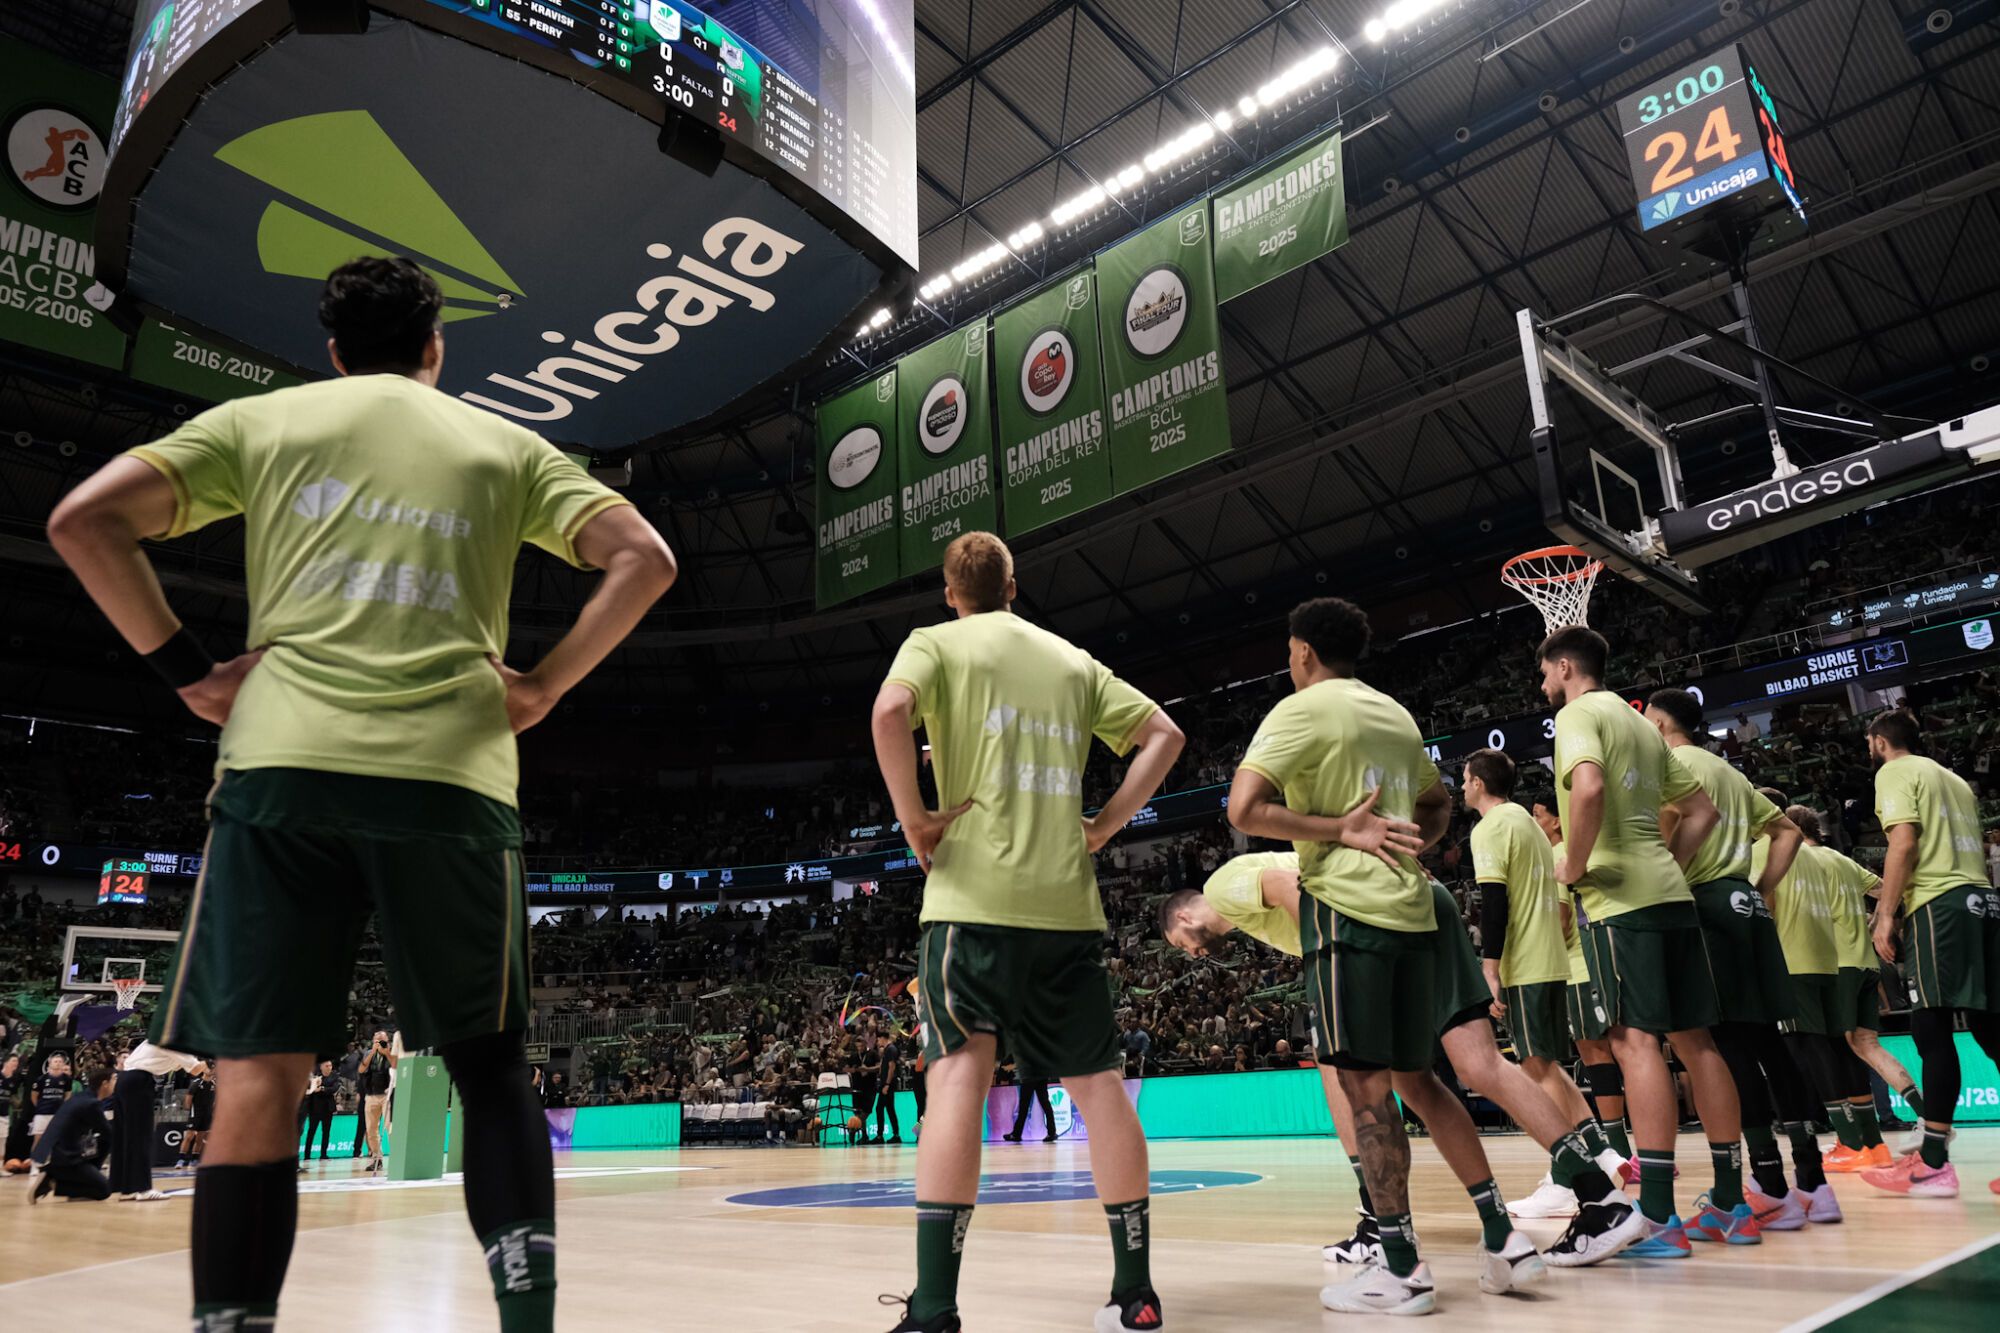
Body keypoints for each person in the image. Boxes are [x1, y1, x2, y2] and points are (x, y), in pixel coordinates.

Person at [45, 255, 676, 1333]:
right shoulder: (506, 446)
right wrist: (543, 684)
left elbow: (82, 521)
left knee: (257, 1080)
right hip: (451, 777)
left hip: (282, 772)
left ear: (333, 350)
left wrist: (188, 671)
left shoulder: (264, 422)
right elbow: (644, 559)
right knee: (489, 1070)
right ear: (436, 348)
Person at [871, 531, 1183, 1333]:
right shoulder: (1071, 659)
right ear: (1016, 587)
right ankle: (1136, 1293)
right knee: (1101, 1090)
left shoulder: (934, 642)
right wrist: (1107, 825)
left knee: (957, 1085)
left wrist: (914, 818)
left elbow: (889, 710)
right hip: (1064, 910)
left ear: (950, 591)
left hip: (969, 906)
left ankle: (935, 1307)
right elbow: (1165, 736)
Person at [1227, 596, 1550, 1317]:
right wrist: (1406, 843)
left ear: (1303, 650)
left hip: (1349, 917)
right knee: (1423, 1084)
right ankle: (1503, 1235)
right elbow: (1435, 807)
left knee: (1364, 1092)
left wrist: (1338, 831)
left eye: (1289, 651)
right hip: (1413, 911)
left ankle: (1400, 1265)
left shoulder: (1298, 710)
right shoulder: (1393, 713)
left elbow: (1244, 809)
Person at [1160, 852, 1639, 1286]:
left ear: (1183, 915)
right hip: (1422, 901)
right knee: (1465, 1069)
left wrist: (1328, 971)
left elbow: (1294, 888)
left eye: (1179, 942)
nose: (1189, 952)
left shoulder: (1223, 887)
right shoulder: (1247, 903)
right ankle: (1594, 1198)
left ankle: (1379, 1227)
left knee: (1342, 1070)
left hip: (1371, 924)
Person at [1537, 627, 1743, 1258]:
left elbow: (1591, 789)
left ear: (1566, 667)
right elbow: (1703, 811)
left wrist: (1572, 862)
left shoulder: (1577, 715)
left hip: (1617, 901)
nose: (1543, 686)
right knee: (1698, 1044)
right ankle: (1732, 1205)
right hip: (1668, 896)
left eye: (1544, 673)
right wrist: (1671, 866)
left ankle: (1656, 1216)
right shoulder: (1640, 725)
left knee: (1634, 1042)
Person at [1644, 688, 1828, 1232]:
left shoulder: (1669, 764)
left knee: (1726, 1049)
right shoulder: (1731, 772)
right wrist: (1763, 888)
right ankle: (1812, 1182)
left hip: (1704, 905)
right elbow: (1788, 831)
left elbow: (1669, 830)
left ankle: (1769, 1185)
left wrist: (1666, 871)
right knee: (1770, 1039)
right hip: (1745, 903)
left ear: (1658, 723)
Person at [1461, 751, 1624, 1221]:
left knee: (1536, 1070)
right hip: (1552, 959)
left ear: (1477, 783)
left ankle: (1572, 1172)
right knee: (1546, 1066)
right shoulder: (1529, 825)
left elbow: (1494, 899)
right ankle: (1604, 1155)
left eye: (1465, 780)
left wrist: (1490, 966)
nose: (1463, 787)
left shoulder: (1490, 827)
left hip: (1527, 962)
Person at [1860, 709, 2000, 1198]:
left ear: (1879, 742)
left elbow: (1903, 842)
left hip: (1940, 906)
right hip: (1981, 901)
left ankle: (1935, 1162)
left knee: (1930, 1024)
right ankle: (1933, 1153)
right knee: (1989, 1027)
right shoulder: (1957, 781)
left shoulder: (1895, 771)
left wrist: (1885, 915)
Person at [1761, 803, 1903, 1175]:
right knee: (1851, 1049)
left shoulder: (1784, 853)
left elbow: (1766, 905)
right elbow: (1887, 890)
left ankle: (1852, 1142)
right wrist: (1880, 921)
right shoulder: (1834, 859)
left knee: (1815, 1051)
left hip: (1808, 962)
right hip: (1845, 962)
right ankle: (1874, 1142)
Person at [1530, 799, 1630, 1168]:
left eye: (1538, 816)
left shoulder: (1557, 854)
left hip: (1577, 967)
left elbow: (1561, 920)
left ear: (1557, 822)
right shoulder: (1572, 850)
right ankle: (1625, 1149)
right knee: (1621, 1053)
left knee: (1598, 1055)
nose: (1534, 822)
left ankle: (1618, 1150)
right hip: (1596, 964)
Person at [112, 1041, 208, 1201]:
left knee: (127, 1136)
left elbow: (178, 1066)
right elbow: (196, 1069)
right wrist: (215, 1059)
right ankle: (142, 1188)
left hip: (125, 1080)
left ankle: (126, 1187)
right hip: (139, 1081)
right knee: (141, 1135)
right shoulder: (175, 1040)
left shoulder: (160, 1035)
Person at [27, 1066, 117, 1204]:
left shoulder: (81, 1097)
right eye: (114, 1080)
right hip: (67, 1157)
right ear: (104, 1084)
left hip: (57, 1152)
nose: (115, 1084)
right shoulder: (92, 1104)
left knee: (96, 1170)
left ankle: (54, 1179)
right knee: (105, 1189)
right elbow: (108, 1134)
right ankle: (52, 1182)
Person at [356, 1031, 395, 1172]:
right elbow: (361, 1069)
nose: (379, 1043)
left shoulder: (391, 1052)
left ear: (387, 1041)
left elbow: (396, 1065)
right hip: (371, 1095)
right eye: (376, 1040)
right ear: (372, 1041)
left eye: (382, 1040)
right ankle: (377, 1159)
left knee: (390, 1128)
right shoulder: (368, 1053)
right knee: (371, 1130)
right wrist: (373, 1052)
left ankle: (397, 1158)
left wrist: (386, 1053)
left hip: (387, 1095)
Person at [301, 1059, 337, 1165]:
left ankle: (324, 1155)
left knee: (326, 1132)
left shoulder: (334, 1076)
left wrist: (321, 1088)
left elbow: (334, 1088)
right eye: (326, 1066)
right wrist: (316, 1086)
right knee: (311, 1132)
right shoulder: (315, 1076)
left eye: (330, 1065)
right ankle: (307, 1155)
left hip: (328, 1109)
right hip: (315, 1108)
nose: (329, 1067)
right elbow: (311, 1088)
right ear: (321, 1067)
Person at [181, 1068, 217, 1169]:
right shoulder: (196, 1083)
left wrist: (212, 1111)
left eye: (213, 1068)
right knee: (189, 1136)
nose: (211, 1070)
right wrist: (189, 1110)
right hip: (195, 1113)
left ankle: (194, 1159)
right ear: (204, 1070)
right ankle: (181, 1159)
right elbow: (188, 1099)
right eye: (209, 1068)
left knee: (200, 1138)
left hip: (207, 1114)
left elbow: (215, 1100)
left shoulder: (214, 1084)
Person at [1003, 1078, 1056, 1143]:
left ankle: (1016, 1134)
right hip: (1041, 1076)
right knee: (1045, 1104)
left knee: (1024, 1107)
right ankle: (1052, 1132)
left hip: (1029, 1076)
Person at [874, 1034, 903, 1144]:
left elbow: (892, 1067)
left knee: (879, 1108)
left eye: (878, 1039)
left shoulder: (890, 1049)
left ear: (883, 1038)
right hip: (887, 1083)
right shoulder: (889, 1049)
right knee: (890, 1109)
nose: (877, 1042)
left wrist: (886, 1084)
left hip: (888, 1084)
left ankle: (880, 1136)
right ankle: (896, 1135)